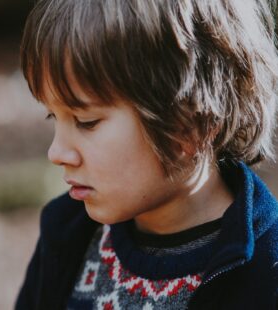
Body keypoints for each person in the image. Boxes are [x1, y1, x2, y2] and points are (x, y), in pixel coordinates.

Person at [15, 0, 278, 309]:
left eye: (87, 122)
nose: (57, 152)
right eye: (53, 117)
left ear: (188, 125)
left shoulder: (264, 274)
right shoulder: (67, 234)